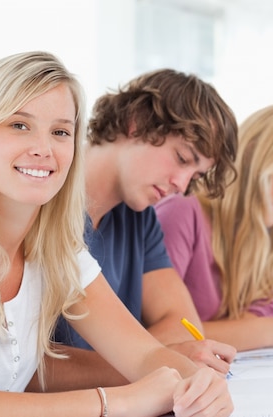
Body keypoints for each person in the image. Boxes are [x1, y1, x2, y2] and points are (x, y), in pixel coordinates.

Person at [0, 51, 232, 417]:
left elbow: (146, 355)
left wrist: (201, 385)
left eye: (60, 132)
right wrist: (118, 401)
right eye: (19, 125)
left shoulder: (57, 251)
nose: (43, 149)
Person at [52, 68, 239, 383]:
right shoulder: (43, 203)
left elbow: (182, 323)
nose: (181, 185)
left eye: (194, 176)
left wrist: (148, 360)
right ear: (135, 122)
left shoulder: (139, 217)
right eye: (182, 158)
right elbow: (25, 366)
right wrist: (156, 362)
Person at [155, 104, 273, 352]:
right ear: (255, 160)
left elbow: (252, 322)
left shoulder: (263, 230)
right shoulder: (182, 212)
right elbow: (165, 335)